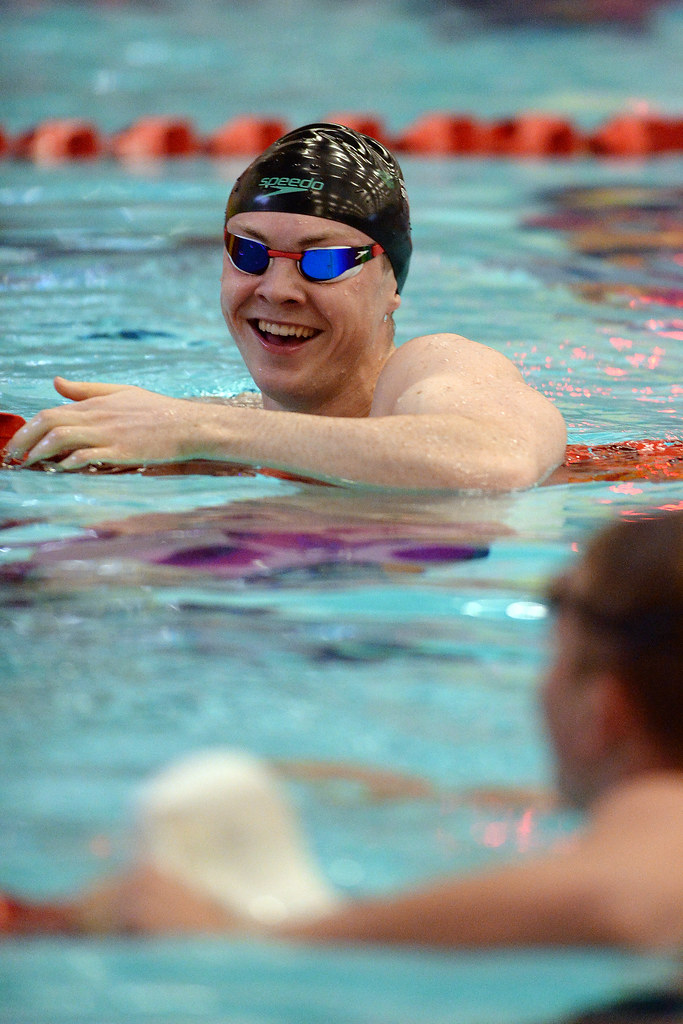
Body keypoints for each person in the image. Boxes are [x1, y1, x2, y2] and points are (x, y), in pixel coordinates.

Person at [2, 511, 682, 950]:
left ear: (604, 712)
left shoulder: (618, 891)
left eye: (553, 664)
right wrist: (397, 796)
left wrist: (219, 934)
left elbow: (624, 899)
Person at [5, 123, 566, 491]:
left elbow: (497, 461)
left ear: (392, 283)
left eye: (322, 262)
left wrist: (200, 429)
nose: (277, 290)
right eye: (249, 253)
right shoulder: (220, 425)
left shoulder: (433, 368)